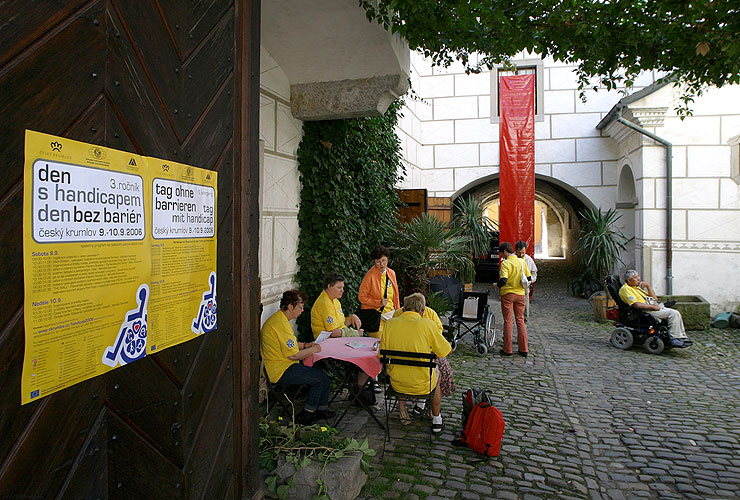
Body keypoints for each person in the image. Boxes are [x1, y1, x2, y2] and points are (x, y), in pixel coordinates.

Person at [380, 293, 452, 433]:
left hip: (397, 383)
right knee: (438, 375)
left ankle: (416, 406)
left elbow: (381, 353)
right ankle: (436, 418)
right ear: (422, 311)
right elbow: (444, 351)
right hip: (423, 384)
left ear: (404, 308)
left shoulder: (389, 324)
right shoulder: (428, 325)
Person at [261, 290, 335, 425]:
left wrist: (307, 345)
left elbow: (290, 344)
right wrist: (314, 349)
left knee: (321, 375)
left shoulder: (280, 319)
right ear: (290, 307)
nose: (302, 310)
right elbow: (293, 355)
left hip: (282, 365)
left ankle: (320, 409)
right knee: (320, 378)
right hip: (279, 370)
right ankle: (308, 415)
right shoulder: (280, 324)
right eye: (300, 307)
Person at [391, 290, 456, 408]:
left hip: (399, 374)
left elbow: (439, 332)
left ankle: (421, 404)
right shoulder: (399, 315)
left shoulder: (430, 314)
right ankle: (431, 411)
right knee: (440, 372)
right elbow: (444, 348)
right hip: (422, 362)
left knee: (442, 370)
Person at [619, 270, 689, 346]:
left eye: (638, 276)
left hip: (653, 307)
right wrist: (653, 307)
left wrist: (648, 287)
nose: (638, 279)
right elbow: (636, 305)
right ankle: (675, 338)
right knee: (674, 314)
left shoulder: (636, 288)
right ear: (629, 280)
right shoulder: (626, 289)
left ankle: (681, 337)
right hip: (645, 311)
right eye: (635, 277)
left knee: (676, 313)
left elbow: (655, 299)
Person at [496, 241, 531, 357]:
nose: (502, 256)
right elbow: (529, 277)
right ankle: (524, 349)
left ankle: (507, 349)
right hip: (521, 294)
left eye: (502, 253)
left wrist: (496, 285)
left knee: (508, 321)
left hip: (508, 294)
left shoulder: (506, 263)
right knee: (520, 320)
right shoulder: (521, 262)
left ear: (505, 251)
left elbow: (504, 280)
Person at [358, 246, 400, 339]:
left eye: (384, 260)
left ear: (387, 259)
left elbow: (395, 295)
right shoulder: (369, 276)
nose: (382, 264)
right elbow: (362, 297)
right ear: (374, 262)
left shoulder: (391, 273)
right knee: (378, 344)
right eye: (378, 261)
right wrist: (378, 303)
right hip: (376, 318)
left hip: (391, 315)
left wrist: (398, 311)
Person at [311, 272, 362, 339]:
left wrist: (352, 317)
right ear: (329, 286)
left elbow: (340, 324)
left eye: (343, 287)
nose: (342, 290)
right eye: (339, 288)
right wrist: (355, 333)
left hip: (337, 340)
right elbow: (333, 332)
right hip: (327, 343)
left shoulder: (335, 300)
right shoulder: (325, 304)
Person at [515, 240, 538, 321]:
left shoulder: (529, 259)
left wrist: (530, 280)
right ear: (516, 251)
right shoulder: (511, 259)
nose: (521, 255)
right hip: (513, 288)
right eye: (519, 253)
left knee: (525, 311)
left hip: (524, 289)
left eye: (523, 253)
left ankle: (524, 326)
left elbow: (534, 273)